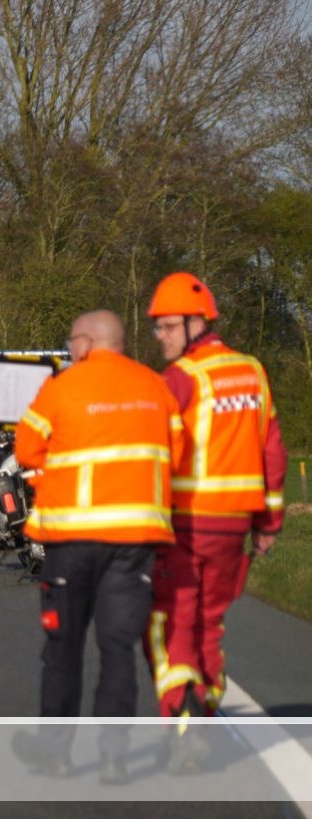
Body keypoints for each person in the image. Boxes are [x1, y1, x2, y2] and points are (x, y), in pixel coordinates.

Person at [8, 310, 184, 784]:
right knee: (118, 648)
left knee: (63, 646)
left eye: (71, 341)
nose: (70, 349)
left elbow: (26, 449)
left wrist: (59, 471)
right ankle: (113, 757)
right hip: (135, 540)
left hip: (73, 537)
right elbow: (178, 453)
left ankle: (56, 754)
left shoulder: (63, 387)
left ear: (86, 343)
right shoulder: (156, 387)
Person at [143, 272, 287, 771]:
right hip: (234, 527)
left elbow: (158, 454)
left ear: (194, 323)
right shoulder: (252, 372)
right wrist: (269, 522)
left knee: (167, 621)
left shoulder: (181, 379)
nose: (160, 337)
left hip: (187, 524)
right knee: (208, 624)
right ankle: (200, 721)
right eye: (157, 327)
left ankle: (180, 713)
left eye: (166, 327)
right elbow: (272, 450)